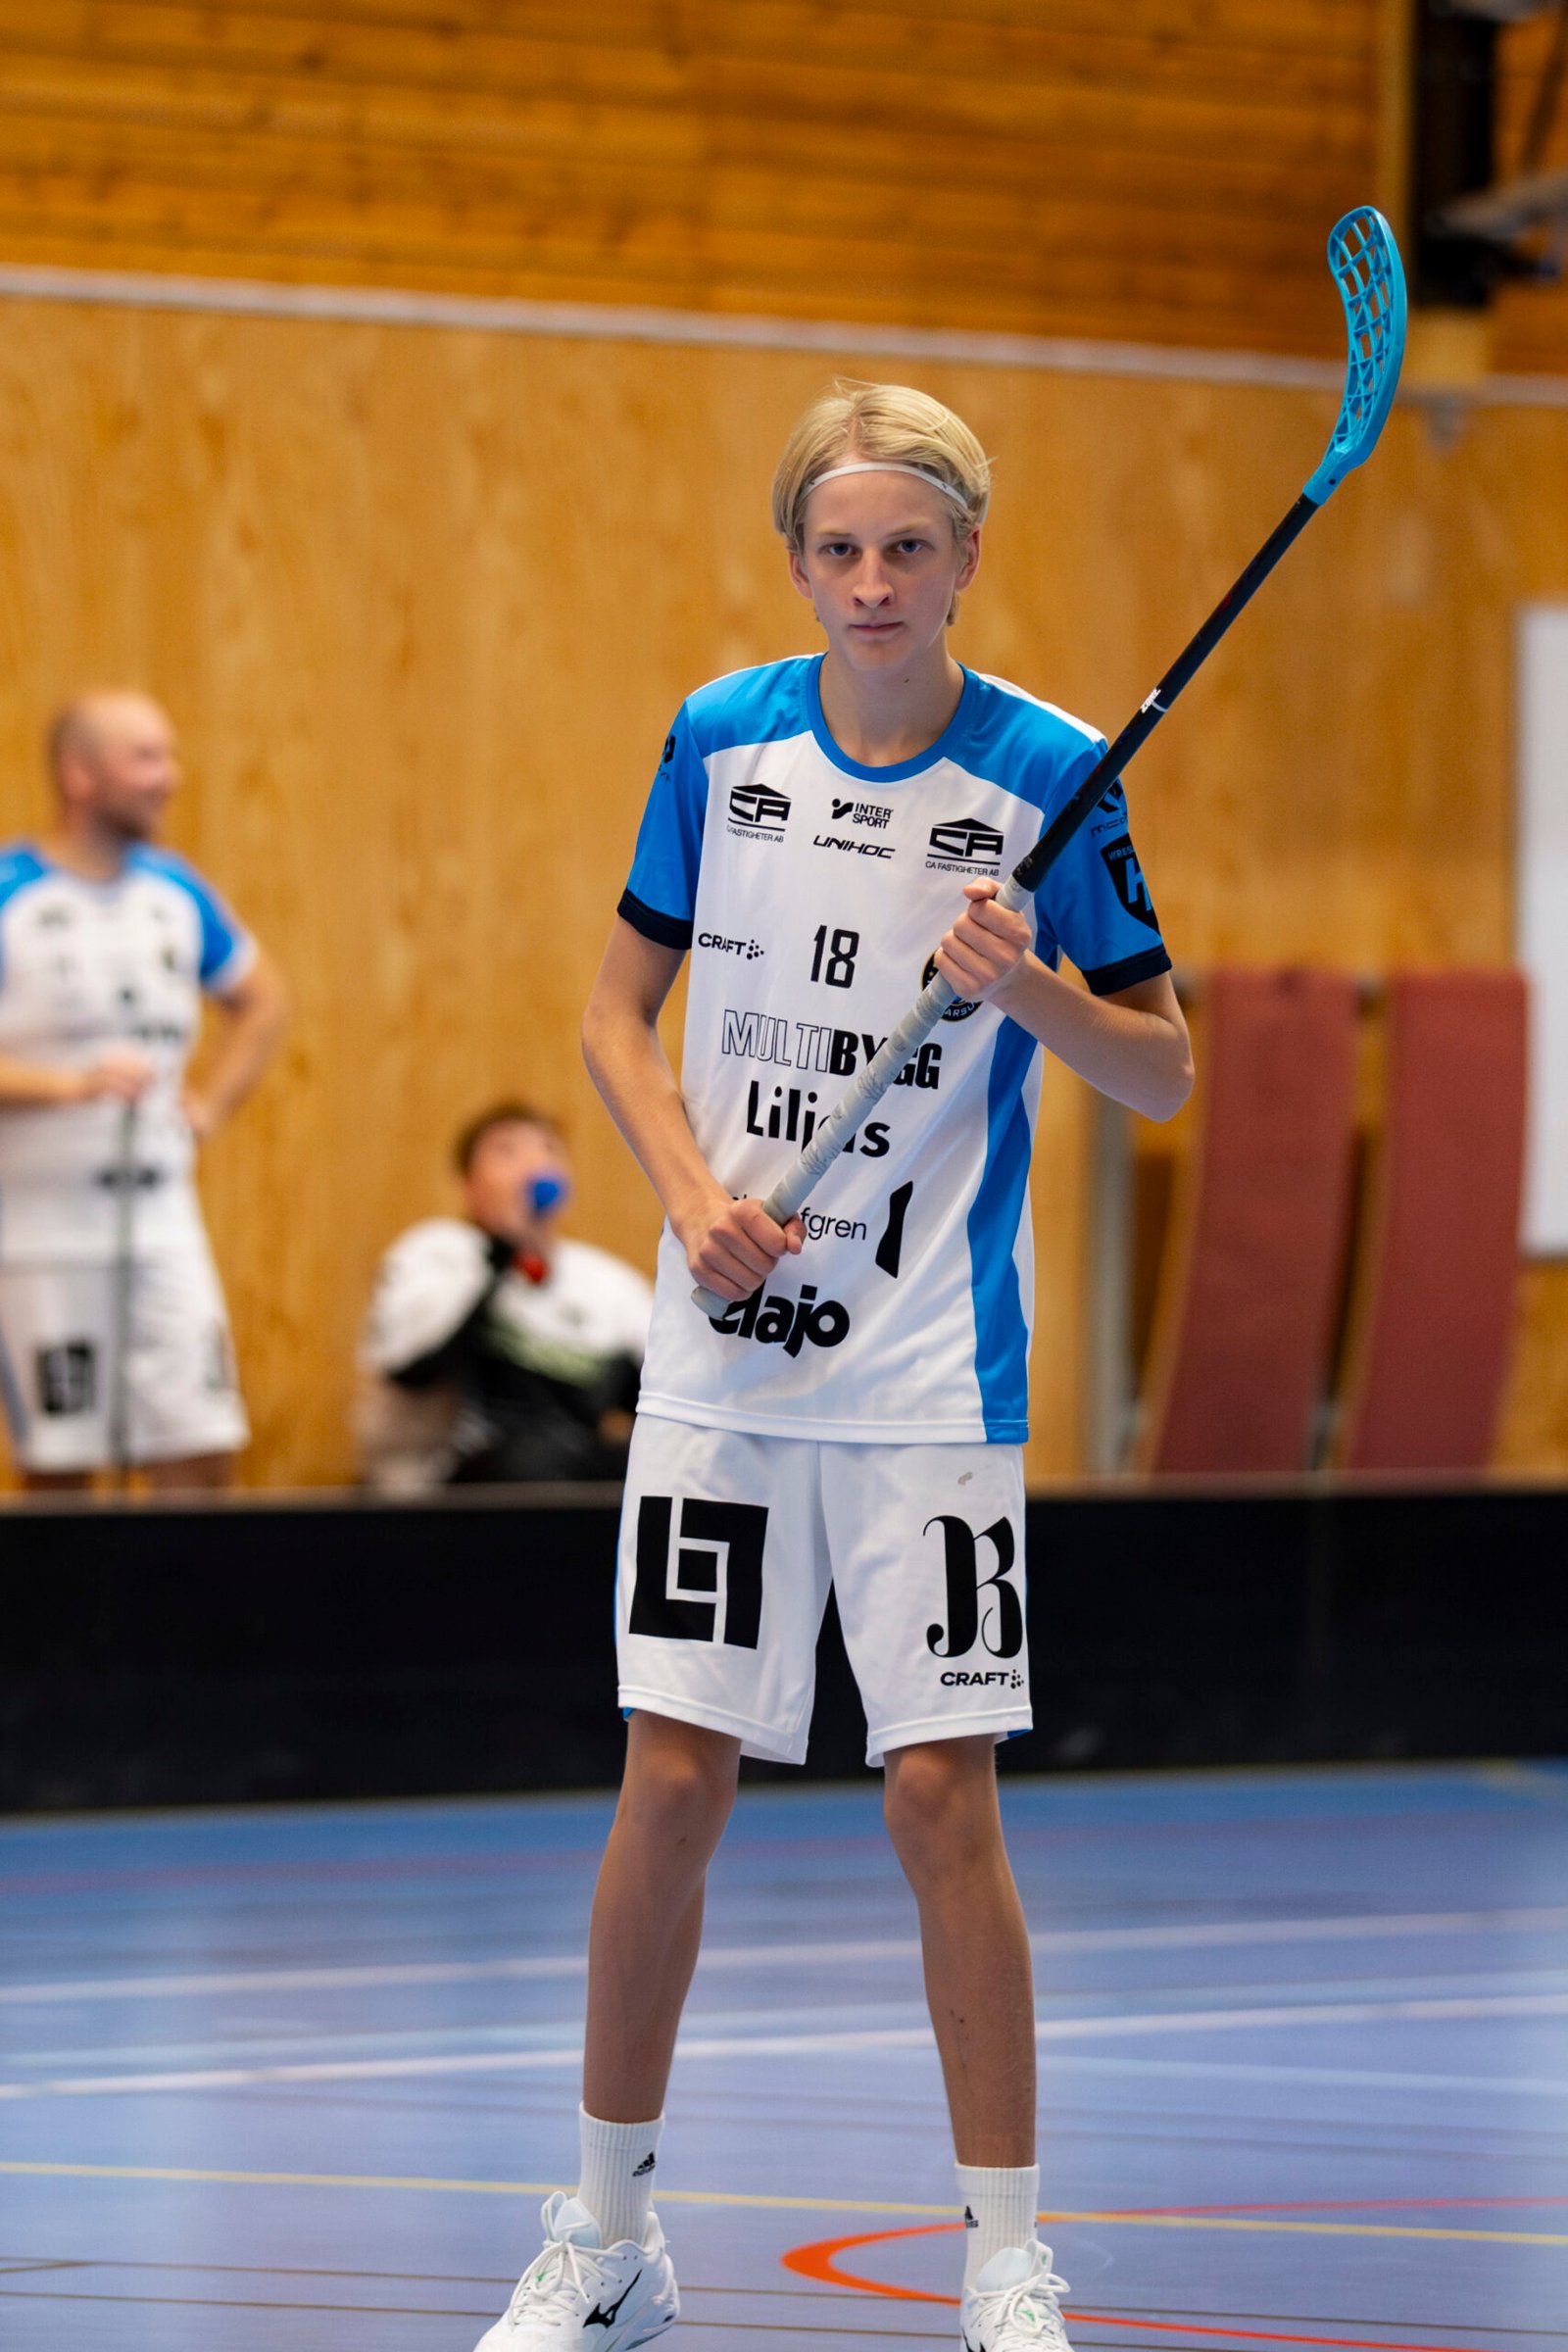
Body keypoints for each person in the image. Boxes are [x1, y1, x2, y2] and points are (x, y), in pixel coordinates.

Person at [472, 382, 1193, 2352]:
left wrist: (1029, 987)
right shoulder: (720, 738)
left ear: (966, 559)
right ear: (796, 561)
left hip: (928, 1373)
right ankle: (607, 2235)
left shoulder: (1050, 776)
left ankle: (1003, 2260)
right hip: (722, 1355)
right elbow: (616, 1013)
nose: (873, 582)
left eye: (907, 548)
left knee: (940, 1795)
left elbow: (1161, 1069)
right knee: (670, 1778)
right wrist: (688, 1194)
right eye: (839, 548)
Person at [0, 692, 287, 1491]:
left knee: (203, 1438)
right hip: (41, 1232)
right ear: (79, 774)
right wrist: (67, 1086)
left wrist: (211, 1103)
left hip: (161, 1218)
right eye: (146, 758)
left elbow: (263, 998)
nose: (170, 777)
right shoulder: (12, 892)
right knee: (62, 1466)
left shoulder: (174, 891)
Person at [358, 1101, 654, 1490]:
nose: (533, 1164)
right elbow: (413, 1369)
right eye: (507, 1151)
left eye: (548, 1149)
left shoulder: (609, 1283)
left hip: (569, 1470)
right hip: (452, 1482)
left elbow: (654, 1395)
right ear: (468, 1182)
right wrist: (503, 1254)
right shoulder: (436, 1255)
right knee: (532, 1462)